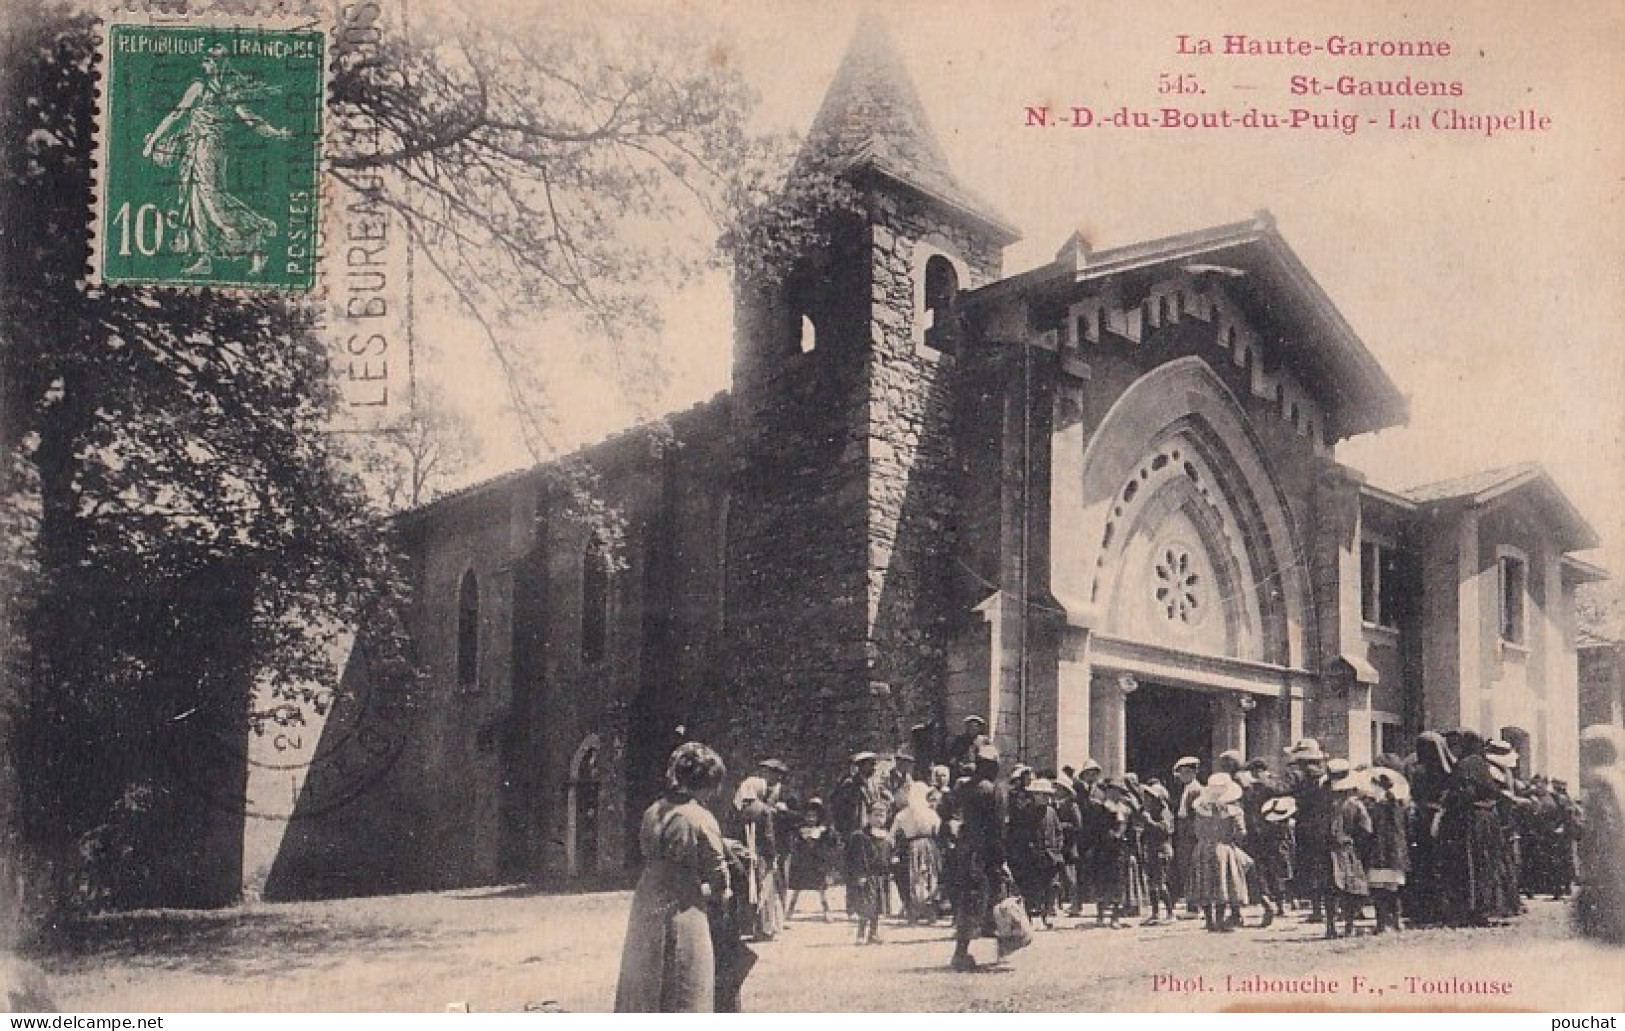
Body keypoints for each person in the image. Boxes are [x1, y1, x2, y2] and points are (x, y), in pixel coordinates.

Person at [141, 45, 290, 277]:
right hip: (206, 149)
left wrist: (153, 142)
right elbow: (252, 120)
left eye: (209, 61)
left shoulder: (202, 88)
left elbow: (176, 114)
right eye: (205, 60)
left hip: (206, 149)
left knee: (211, 199)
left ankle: (257, 231)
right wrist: (276, 133)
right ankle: (205, 257)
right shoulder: (226, 91)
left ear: (217, 65)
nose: (205, 64)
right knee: (196, 200)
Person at [615, 742, 731, 1013]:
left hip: (648, 896)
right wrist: (720, 893)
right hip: (683, 900)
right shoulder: (700, 817)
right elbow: (717, 871)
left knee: (646, 974)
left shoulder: (652, 811)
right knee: (684, 976)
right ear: (707, 783)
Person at [949, 745, 1006, 971]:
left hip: (965, 851)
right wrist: (1000, 858)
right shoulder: (993, 791)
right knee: (994, 900)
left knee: (970, 902)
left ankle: (962, 951)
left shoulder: (965, 788)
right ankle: (999, 949)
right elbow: (998, 829)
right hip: (985, 854)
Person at [1574, 724, 1625, 943]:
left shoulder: (1600, 779)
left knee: (1608, 881)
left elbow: (1606, 817)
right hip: (1615, 837)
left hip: (1608, 840)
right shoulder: (1617, 775)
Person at [1188, 771, 1250, 932]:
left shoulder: (1201, 809)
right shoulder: (1234, 811)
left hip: (1203, 847)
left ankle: (1209, 921)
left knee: (1205, 883)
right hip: (1224, 847)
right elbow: (1241, 832)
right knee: (1222, 883)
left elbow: (1196, 831)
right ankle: (1221, 920)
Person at [1325, 759, 1373, 938]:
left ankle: (1330, 926)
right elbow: (1367, 829)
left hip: (1329, 849)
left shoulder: (1326, 803)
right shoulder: (1355, 805)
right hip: (1348, 849)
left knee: (1330, 888)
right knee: (1350, 889)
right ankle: (1348, 926)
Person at [1007, 777, 1064, 928]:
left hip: (1050, 855)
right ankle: (1031, 914)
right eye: (1041, 795)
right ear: (1034, 795)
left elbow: (1058, 831)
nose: (1045, 798)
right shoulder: (1024, 812)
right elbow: (1017, 833)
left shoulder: (1051, 812)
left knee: (1052, 885)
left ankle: (1047, 913)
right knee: (1031, 886)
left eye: (1047, 795)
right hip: (1031, 856)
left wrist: (1057, 847)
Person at [1287, 739, 1332, 921]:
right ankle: (1327, 908)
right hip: (1324, 825)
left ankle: (1316, 910)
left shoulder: (1299, 776)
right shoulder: (1324, 775)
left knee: (1310, 867)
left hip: (1305, 826)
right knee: (1324, 867)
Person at [1365, 765, 1411, 934]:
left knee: (1378, 889)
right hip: (1396, 851)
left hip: (1379, 851)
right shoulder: (1400, 805)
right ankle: (1397, 920)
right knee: (1394, 887)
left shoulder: (1374, 807)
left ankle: (1382, 923)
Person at [890, 780, 944, 924]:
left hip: (910, 846)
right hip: (928, 846)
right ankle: (930, 913)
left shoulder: (902, 814)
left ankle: (912, 914)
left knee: (911, 878)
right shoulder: (931, 813)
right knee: (929, 877)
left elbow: (892, 834)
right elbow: (937, 829)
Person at [845, 801, 893, 944]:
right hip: (867, 876)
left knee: (878, 906)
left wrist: (889, 867)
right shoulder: (861, 836)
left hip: (880, 876)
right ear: (869, 816)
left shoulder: (886, 836)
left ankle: (873, 933)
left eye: (882, 816)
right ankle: (860, 934)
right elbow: (856, 857)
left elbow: (887, 855)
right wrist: (860, 874)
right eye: (876, 815)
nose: (879, 819)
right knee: (866, 905)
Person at [786, 798, 837, 922]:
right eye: (808, 816)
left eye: (814, 816)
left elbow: (832, 841)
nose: (811, 819)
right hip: (803, 862)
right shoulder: (799, 829)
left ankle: (827, 911)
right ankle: (790, 911)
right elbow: (794, 843)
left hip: (817, 863)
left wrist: (823, 830)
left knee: (821, 889)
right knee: (797, 888)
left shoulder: (823, 831)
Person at [1170, 756, 1203, 914]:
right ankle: (1191, 902)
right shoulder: (1186, 789)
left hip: (1190, 834)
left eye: (1187, 772)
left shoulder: (1196, 790)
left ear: (1193, 773)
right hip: (1183, 832)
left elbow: (1195, 814)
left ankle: (1194, 904)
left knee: (1191, 867)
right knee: (1185, 867)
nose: (1183, 775)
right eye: (1181, 772)